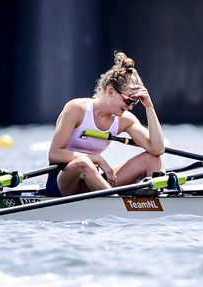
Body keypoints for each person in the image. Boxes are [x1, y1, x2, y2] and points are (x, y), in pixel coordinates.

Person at [45, 51, 165, 197]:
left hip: (94, 178)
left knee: (152, 159)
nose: (130, 106)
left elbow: (157, 149)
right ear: (111, 91)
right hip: (62, 182)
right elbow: (54, 154)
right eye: (128, 100)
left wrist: (149, 107)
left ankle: (155, 200)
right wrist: (96, 158)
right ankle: (116, 203)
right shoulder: (77, 109)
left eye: (135, 102)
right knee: (84, 163)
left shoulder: (125, 120)